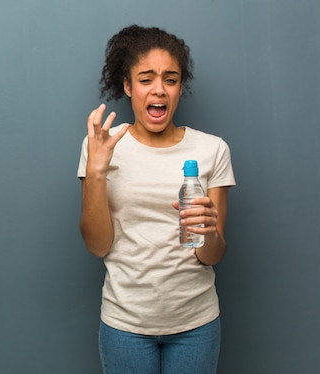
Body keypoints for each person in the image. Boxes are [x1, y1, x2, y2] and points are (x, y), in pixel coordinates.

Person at [77, 25, 236, 374]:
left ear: (181, 88)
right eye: (146, 78)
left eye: (171, 78)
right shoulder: (101, 147)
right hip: (125, 324)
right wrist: (97, 171)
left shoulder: (213, 150)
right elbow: (97, 245)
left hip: (196, 322)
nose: (159, 89)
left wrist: (208, 232)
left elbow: (213, 254)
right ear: (128, 86)